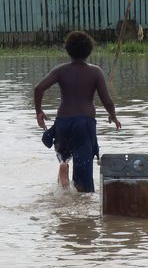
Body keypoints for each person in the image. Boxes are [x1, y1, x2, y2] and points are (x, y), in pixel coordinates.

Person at [33, 30, 120, 192]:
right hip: (85, 123)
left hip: (63, 122)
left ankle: (64, 163)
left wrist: (39, 111)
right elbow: (107, 100)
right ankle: (81, 196)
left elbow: (39, 88)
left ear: (67, 50)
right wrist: (113, 116)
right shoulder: (95, 72)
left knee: (63, 151)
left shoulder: (60, 70)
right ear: (90, 50)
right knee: (84, 177)